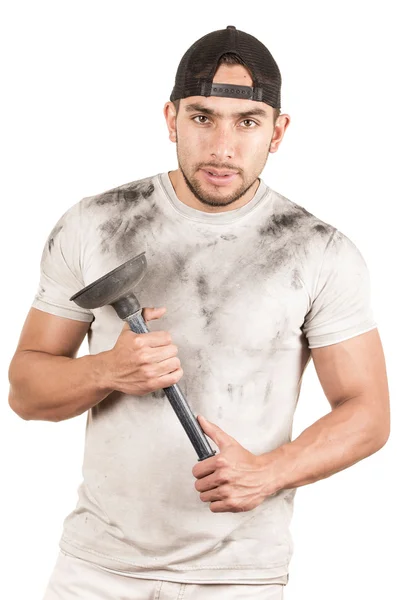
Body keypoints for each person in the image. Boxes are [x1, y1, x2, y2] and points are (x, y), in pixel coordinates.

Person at [8, 25, 390, 600]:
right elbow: (25, 392)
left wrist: (268, 473)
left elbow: (368, 413)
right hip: (96, 571)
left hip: (238, 577)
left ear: (278, 131)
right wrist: (109, 371)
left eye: (248, 122)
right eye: (203, 117)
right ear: (171, 119)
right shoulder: (95, 224)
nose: (222, 147)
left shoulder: (318, 250)